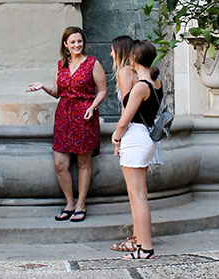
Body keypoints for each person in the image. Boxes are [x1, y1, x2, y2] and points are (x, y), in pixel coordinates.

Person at [27, 26, 107, 222]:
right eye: (73, 42)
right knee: (60, 163)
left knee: (83, 163)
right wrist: (44, 87)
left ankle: (81, 204)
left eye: (79, 41)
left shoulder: (92, 64)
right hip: (64, 116)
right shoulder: (60, 65)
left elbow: (103, 90)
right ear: (65, 45)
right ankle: (69, 202)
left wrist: (93, 106)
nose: (77, 45)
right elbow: (57, 93)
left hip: (85, 115)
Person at [110, 40, 163, 260]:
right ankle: (141, 243)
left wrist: (116, 137)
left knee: (138, 196)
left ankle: (146, 247)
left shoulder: (141, 86)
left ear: (133, 59)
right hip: (146, 138)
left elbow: (125, 118)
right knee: (139, 194)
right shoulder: (155, 82)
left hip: (136, 137)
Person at [110, 35, 136, 108]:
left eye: (112, 50)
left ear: (120, 52)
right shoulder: (133, 70)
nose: (111, 54)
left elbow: (126, 105)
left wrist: (122, 120)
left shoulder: (125, 71)